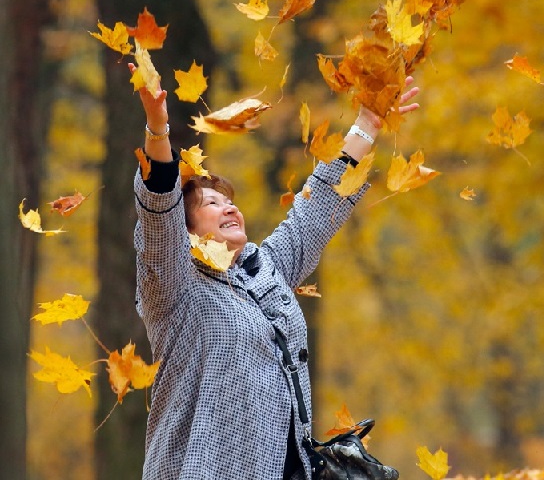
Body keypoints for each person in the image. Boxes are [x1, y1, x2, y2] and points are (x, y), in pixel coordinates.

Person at [131, 62, 420, 480]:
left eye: (228, 200)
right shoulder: (176, 290)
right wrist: (158, 130)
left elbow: (317, 207)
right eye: (210, 204)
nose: (228, 206)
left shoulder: (265, 271)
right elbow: (158, 218)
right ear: (186, 231)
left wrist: (366, 125)